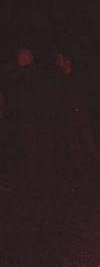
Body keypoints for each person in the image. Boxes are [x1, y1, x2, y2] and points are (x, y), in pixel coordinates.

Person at [52, 52, 100, 193]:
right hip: (69, 121)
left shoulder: (80, 77)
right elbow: (58, 102)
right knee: (75, 152)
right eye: (57, 61)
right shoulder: (58, 80)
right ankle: (85, 181)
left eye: (60, 60)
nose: (58, 63)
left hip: (83, 119)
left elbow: (87, 97)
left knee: (91, 148)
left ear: (68, 61)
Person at [3, 48, 52, 191]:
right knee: (32, 149)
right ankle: (35, 182)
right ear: (21, 57)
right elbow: (16, 97)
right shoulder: (15, 75)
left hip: (39, 116)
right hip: (27, 119)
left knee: (44, 147)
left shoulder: (33, 73)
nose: (31, 57)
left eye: (31, 55)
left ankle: (45, 180)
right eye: (28, 55)